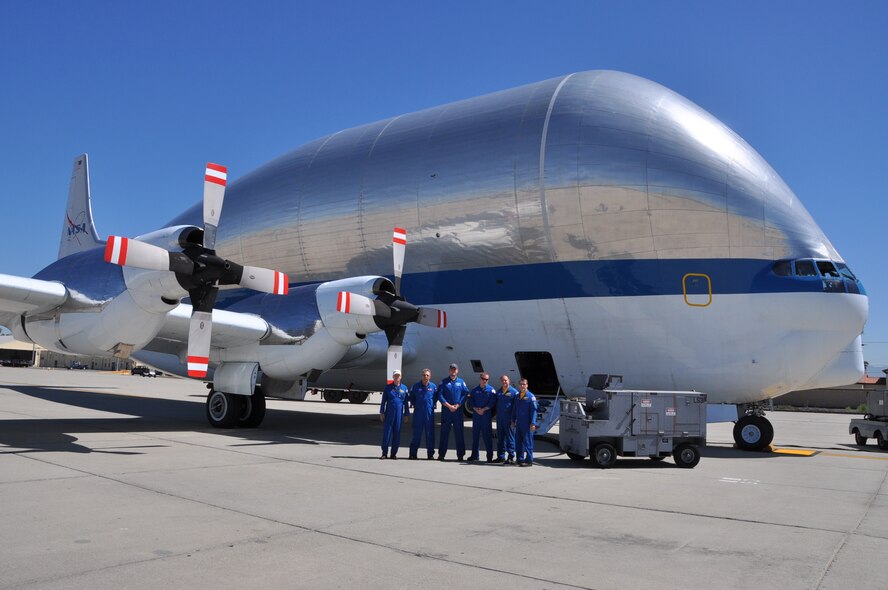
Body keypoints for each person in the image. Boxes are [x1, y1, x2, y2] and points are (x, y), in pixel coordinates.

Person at [437, 362, 469, 461]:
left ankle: (460, 455)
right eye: (451, 369)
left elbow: (465, 393)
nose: (453, 371)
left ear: (457, 371)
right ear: (449, 370)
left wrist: (459, 404)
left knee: (459, 433)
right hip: (447, 411)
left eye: (455, 369)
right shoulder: (444, 382)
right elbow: (440, 395)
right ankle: (441, 454)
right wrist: (448, 405)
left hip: (457, 411)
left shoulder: (461, 382)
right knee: (444, 433)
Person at [407, 368, 437, 460]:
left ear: (430, 376)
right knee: (417, 434)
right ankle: (413, 454)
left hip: (429, 413)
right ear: (422, 376)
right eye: (424, 375)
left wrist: (430, 405)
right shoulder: (416, 386)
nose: (426, 377)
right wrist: (417, 405)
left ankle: (430, 454)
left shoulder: (433, 387)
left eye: (427, 375)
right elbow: (411, 398)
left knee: (429, 434)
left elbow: (435, 398)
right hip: (418, 413)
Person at [379, 370, 409, 459]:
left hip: (399, 414)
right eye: (395, 376)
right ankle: (384, 453)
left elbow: (406, 402)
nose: (397, 377)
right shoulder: (388, 388)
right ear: (393, 377)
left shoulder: (404, 388)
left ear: (401, 377)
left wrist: (406, 414)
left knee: (397, 433)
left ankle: (393, 454)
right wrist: (382, 412)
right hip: (389, 413)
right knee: (387, 433)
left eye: (398, 376)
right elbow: (383, 401)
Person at [467, 373, 496, 462]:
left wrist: (483, 409)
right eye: (483, 379)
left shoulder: (491, 390)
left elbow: (492, 402)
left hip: (486, 416)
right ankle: (475, 455)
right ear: (480, 379)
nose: (485, 381)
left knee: (487, 436)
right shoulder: (475, 390)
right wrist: (476, 409)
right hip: (476, 415)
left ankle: (489, 456)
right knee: (475, 436)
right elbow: (471, 401)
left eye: (487, 379)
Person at [511, 378, 538, 466]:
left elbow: (534, 411)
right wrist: (513, 420)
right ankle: (520, 459)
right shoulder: (517, 396)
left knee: (528, 442)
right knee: (518, 442)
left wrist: (533, 423)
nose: (522, 386)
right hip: (519, 423)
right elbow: (515, 409)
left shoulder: (531, 396)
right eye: (521, 384)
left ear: (527, 385)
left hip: (527, 424)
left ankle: (529, 460)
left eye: (524, 384)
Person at [494, 374, 518, 464]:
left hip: (509, 420)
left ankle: (511, 457)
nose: (504, 382)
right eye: (503, 380)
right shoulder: (499, 392)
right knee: (500, 439)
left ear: (509, 381)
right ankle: (501, 457)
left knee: (510, 439)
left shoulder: (514, 392)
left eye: (506, 380)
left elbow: (516, 407)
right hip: (500, 419)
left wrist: (514, 420)